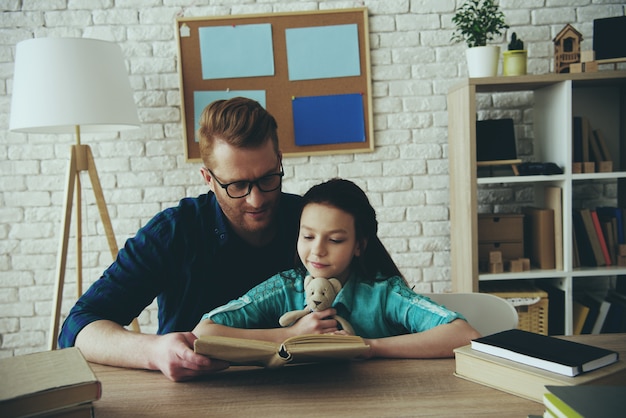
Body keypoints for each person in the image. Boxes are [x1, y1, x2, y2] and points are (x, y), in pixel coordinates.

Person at [58, 97, 303, 381]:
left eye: (268, 178)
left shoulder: (314, 221)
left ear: (280, 161)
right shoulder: (173, 232)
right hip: (196, 398)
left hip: (310, 391)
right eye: (237, 185)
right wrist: (154, 350)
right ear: (208, 179)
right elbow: (78, 326)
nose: (256, 199)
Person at [193, 178, 480, 359]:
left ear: (359, 245)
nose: (317, 250)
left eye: (335, 239)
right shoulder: (284, 287)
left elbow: (465, 335)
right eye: (307, 236)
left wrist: (368, 347)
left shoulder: (383, 292)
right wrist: (288, 335)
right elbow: (205, 331)